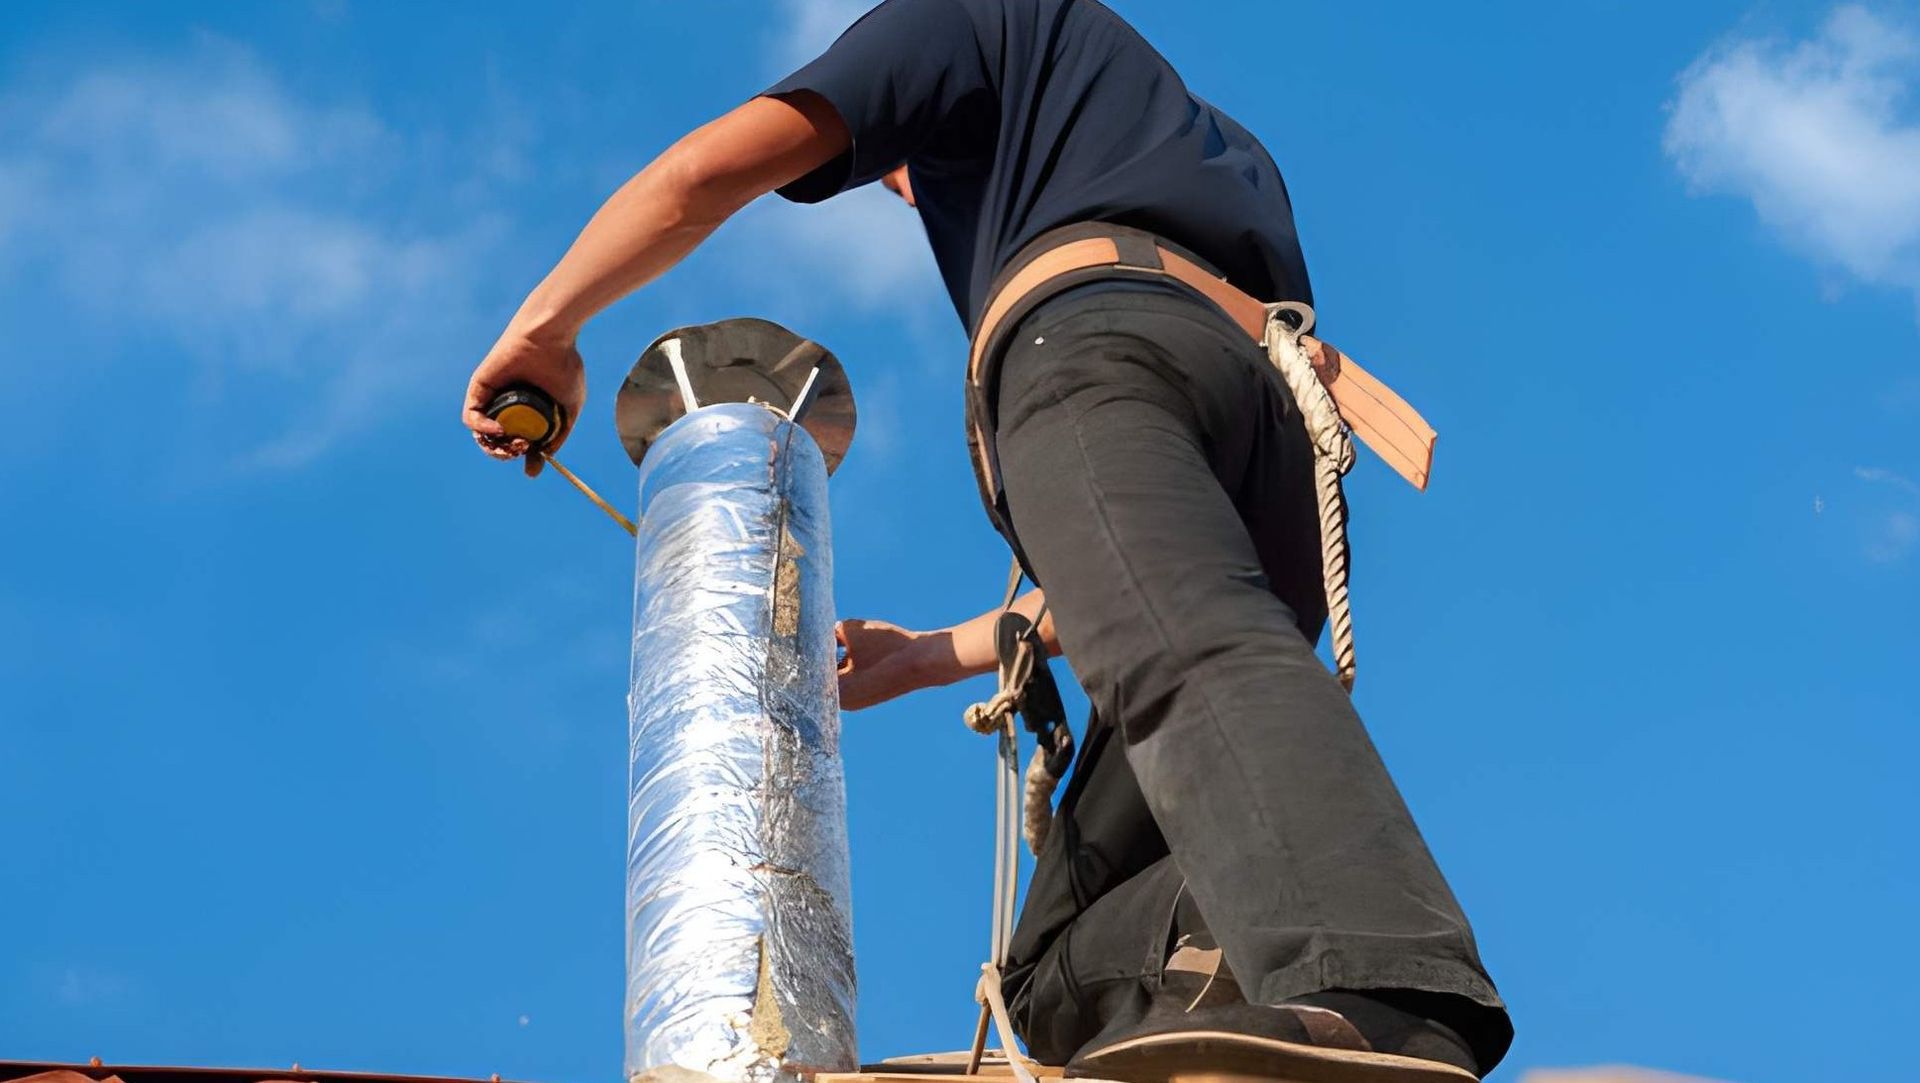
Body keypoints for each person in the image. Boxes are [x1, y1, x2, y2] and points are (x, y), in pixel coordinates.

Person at [461, 1, 1513, 1078]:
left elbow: (706, 175)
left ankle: (1384, 986)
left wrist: (546, 329)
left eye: (888, 166)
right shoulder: (1194, 143)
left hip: (1093, 344)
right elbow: (1159, 578)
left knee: (1191, 659)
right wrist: (929, 656)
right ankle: (1234, 980)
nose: (890, 181)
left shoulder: (970, 20)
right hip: (1266, 429)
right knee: (1057, 964)